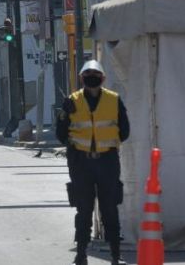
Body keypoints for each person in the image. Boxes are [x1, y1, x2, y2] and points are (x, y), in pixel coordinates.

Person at [57, 60, 130, 265]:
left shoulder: (114, 100)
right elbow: (61, 135)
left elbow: (125, 131)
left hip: (107, 161)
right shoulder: (72, 101)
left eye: (95, 74)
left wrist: (107, 144)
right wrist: (64, 115)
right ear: (81, 78)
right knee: (84, 210)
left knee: (110, 209)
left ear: (103, 78)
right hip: (81, 163)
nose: (91, 77)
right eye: (87, 74)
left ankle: (115, 255)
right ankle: (81, 254)